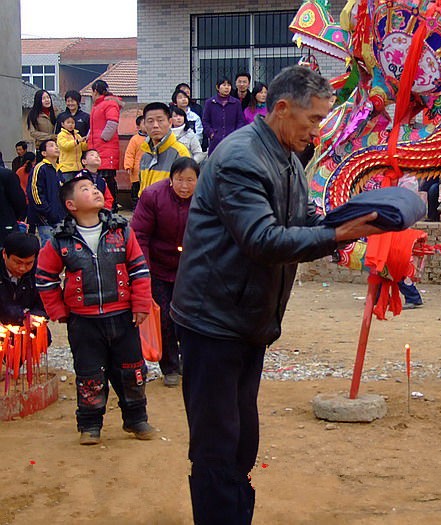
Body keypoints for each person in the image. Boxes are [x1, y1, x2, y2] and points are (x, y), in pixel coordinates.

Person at [170, 66, 382, 523]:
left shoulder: (287, 158)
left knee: (242, 436)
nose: (318, 130)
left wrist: (357, 218)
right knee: (216, 442)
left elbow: (301, 216)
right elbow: (263, 240)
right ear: (282, 109)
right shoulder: (240, 158)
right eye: (314, 119)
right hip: (213, 321)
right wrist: (341, 232)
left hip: (248, 319)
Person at [36, 175, 154, 446]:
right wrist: (59, 311)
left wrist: (140, 303)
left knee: (132, 371)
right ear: (71, 204)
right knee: (89, 374)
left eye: (95, 187)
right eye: (85, 189)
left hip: (123, 316)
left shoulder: (121, 231)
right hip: (84, 322)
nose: (95, 191)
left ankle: (136, 419)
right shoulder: (60, 240)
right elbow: (45, 278)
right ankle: (90, 424)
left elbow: (139, 269)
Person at [131, 157, 199, 388]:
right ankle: (169, 365)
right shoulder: (153, 196)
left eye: (190, 180)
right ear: (171, 179)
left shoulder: (205, 199)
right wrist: (144, 270)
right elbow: (139, 235)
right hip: (158, 267)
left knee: (190, 317)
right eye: (180, 179)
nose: (184, 186)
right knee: (164, 318)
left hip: (190, 268)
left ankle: (188, 361)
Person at [138, 102, 191, 195]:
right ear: (144, 124)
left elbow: (186, 191)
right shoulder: (145, 155)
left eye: (160, 120)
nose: (155, 125)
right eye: (150, 121)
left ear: (170, 123)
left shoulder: (180, 153)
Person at [88, 80, 122, 212]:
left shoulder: (109, 104)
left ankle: (111, 206)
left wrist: (103, 138)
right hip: (98, 147)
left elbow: (112, 123)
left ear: (95, 91)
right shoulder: (98, 105)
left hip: (105, 148)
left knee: (107, 179)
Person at [0, 232, 44, 324]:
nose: (22, 268)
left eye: (28, 263)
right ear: (4, 254)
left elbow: (45, 302)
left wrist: (35, 316)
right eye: (17, 262)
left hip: (26, 324)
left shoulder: (40, 272)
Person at [27, 140, 65, 246]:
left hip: (59, 217)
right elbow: (35, 192)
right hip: (44, 218)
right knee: (48, 246)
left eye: (57, 145)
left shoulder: (58, 170)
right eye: (52, 146)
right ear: (44, 153)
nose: (56, 147)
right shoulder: (40, 168)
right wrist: (47, 211)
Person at [202, 77, 246, 154]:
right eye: (224, 85)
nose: (226, 87)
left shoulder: (236, 103)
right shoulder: (210, 103)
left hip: (232, 140)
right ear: (217, 87)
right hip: (215, 141)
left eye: (229, 85)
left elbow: (240, 121)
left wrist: (236, 134)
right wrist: (211, 134)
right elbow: (205, 121)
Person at [123, 115, 147, 207]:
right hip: (137, 171)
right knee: (136, 191)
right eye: (144, 123)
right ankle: (136, 207)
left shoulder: (154, 138)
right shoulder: (135, 139)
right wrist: (128, 166)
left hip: (149, 170)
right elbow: (129, 153)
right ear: (138, 127)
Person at [0, 165, 26, 246]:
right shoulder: (6, 175)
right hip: (6, 225)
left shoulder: (6, 175)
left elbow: (18, 201)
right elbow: (19, 202)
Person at [56, 115, 88, 180]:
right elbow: (65, 146)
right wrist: (77, 141)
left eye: (73, 123)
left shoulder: (77, 135)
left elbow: (83, 148)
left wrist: (86, 141)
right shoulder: (61, 135)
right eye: (68, 122)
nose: (71, 125)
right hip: (66, 168)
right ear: (62, 124)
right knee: (68, 187)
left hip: (78, 167)